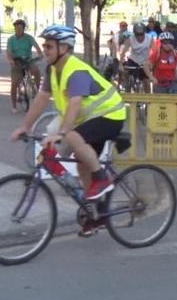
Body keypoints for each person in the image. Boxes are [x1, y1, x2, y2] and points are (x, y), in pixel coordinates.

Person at [10, 25, 126, 236]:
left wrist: (62, 133)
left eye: (49, 46)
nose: (44, 50)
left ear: (64, 47)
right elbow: (41, 99)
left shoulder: (76, 71)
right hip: (89, 118)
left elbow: (74, 103)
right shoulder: (52, 69)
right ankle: (95, 215)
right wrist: (24, 127)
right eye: (44, 45)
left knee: (72, 137)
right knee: (82, 164)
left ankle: (101, 178)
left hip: (110, 115)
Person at [6, 19, 44, 114]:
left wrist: (40, 54)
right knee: (14, 83)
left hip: (28, 60)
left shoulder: (29, 38)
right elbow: (9, 53)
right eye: (16, 28)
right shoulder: (11, 40)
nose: (18, 30)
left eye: (19, 28)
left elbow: (37, 47)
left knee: (36, 70)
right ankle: (14, 105)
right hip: (17, 62)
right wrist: (11, 61)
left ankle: (36, 90)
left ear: (23, 29)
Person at [118, 23, 154, 92]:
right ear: (134, 34)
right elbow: (123, 52)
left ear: (144, 33)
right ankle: (127, 88)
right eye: (137, 35)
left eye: (141, 34)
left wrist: (151, 63)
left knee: (146, 81)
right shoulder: (130, 39)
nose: (139, 37)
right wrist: (120, 64)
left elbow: (154, 51)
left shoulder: (149, 38)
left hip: (145, 61)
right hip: (133, 60)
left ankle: (148, 99)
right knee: (126, 72)